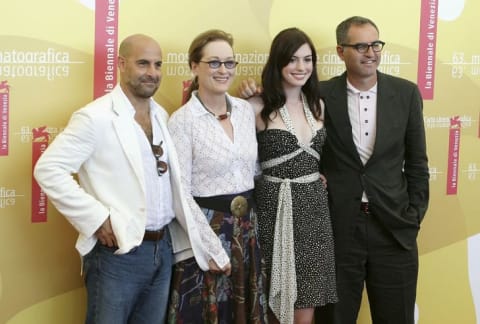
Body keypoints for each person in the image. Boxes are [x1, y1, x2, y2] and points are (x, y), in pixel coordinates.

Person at [240, 16, 429, 324]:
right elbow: (288, 134)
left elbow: (418, 164)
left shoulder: (406, 94)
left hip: (394, 228)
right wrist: (248, 93)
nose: (370, 52)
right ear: (341, 52)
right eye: (360, 46)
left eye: (375, 44)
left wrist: (413, 216)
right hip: (336, 228)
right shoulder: (319, 96)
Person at [34, 34, 231, 324]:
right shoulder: (95, 117)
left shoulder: (162, 116)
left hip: (163, 251)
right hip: (118, 255)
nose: (152, 73)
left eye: (157, 65)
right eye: (143, 64)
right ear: (121, 64)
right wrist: (97, 218)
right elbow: (48, 169)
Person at [166, 29, 267, 323]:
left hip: (248, 229)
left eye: (229, 63)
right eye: (214, 63)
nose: (223, 70)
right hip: (207, 230)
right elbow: (180, 192)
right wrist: (209, 248)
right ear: (194, 66)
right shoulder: (182, 121)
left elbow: (254, 171)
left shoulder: (246, 112)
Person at [246, 27, 337, 324]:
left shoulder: (318, 105)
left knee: (306, 299)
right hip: (273, 209)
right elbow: (240, 161)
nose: (301, 67)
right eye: (293, 60)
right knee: (271, 294)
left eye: (307, 59)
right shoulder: (255, 108)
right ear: (278, 63)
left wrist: (315, 174)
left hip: (313, 209)